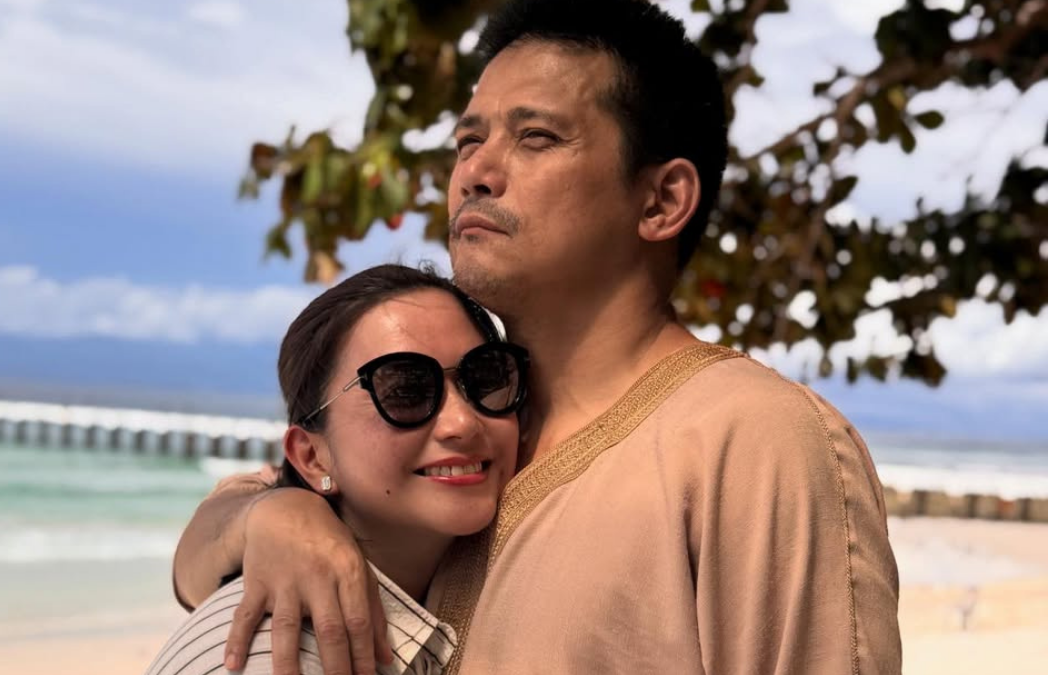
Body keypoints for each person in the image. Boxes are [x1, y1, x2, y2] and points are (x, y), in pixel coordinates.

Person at [173, 1, 903, 674]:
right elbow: (207, 543)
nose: (475, 173)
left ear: (661, 200)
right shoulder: (477, 431)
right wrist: (275, 515)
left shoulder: (753, 439)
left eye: (536, 138)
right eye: (469, 140)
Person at [148, 265, 527, 674]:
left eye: (485, 378)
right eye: (404, 391)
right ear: (312, 457)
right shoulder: (275, 655)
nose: (462, 423)